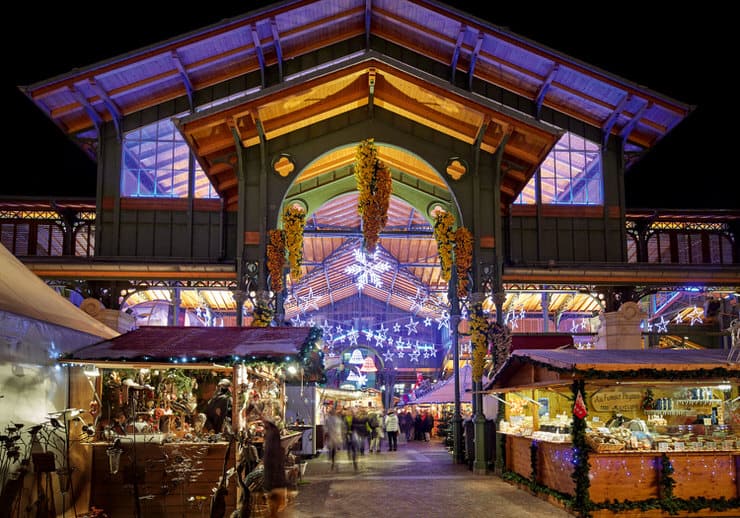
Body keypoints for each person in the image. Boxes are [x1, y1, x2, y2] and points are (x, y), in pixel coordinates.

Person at [261, 414, 287, 518]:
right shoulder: (273, 432)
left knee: (273, 500)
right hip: (274, 474)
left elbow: (271, 454)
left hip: (273, 475)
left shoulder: (271, 434)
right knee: (274, 501)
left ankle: (273, 514)